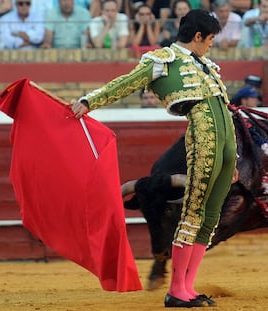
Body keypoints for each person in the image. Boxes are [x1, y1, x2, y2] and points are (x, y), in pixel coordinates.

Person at [71, 9, 237, 308]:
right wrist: (88, 101)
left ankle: (188, 287)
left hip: (226, 141)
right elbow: (126, 82)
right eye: (210, 38)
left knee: (210, 216)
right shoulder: (162, 60)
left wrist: (233, 158)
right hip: (204, 134)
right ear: (198, 36)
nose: (212, 44)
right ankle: (176, 290)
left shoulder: (206, 64)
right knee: (193, 211)